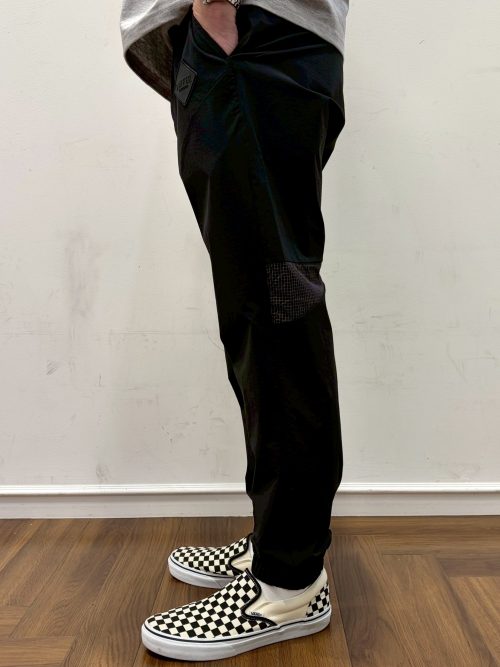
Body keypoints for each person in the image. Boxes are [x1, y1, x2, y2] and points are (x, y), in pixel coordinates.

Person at [120, 0, 349, 660]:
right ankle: (278, 538)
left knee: (274, 312)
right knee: (262, 309)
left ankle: (289, 581)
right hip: (249, 44)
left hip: (249, 42)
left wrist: (217, 15)